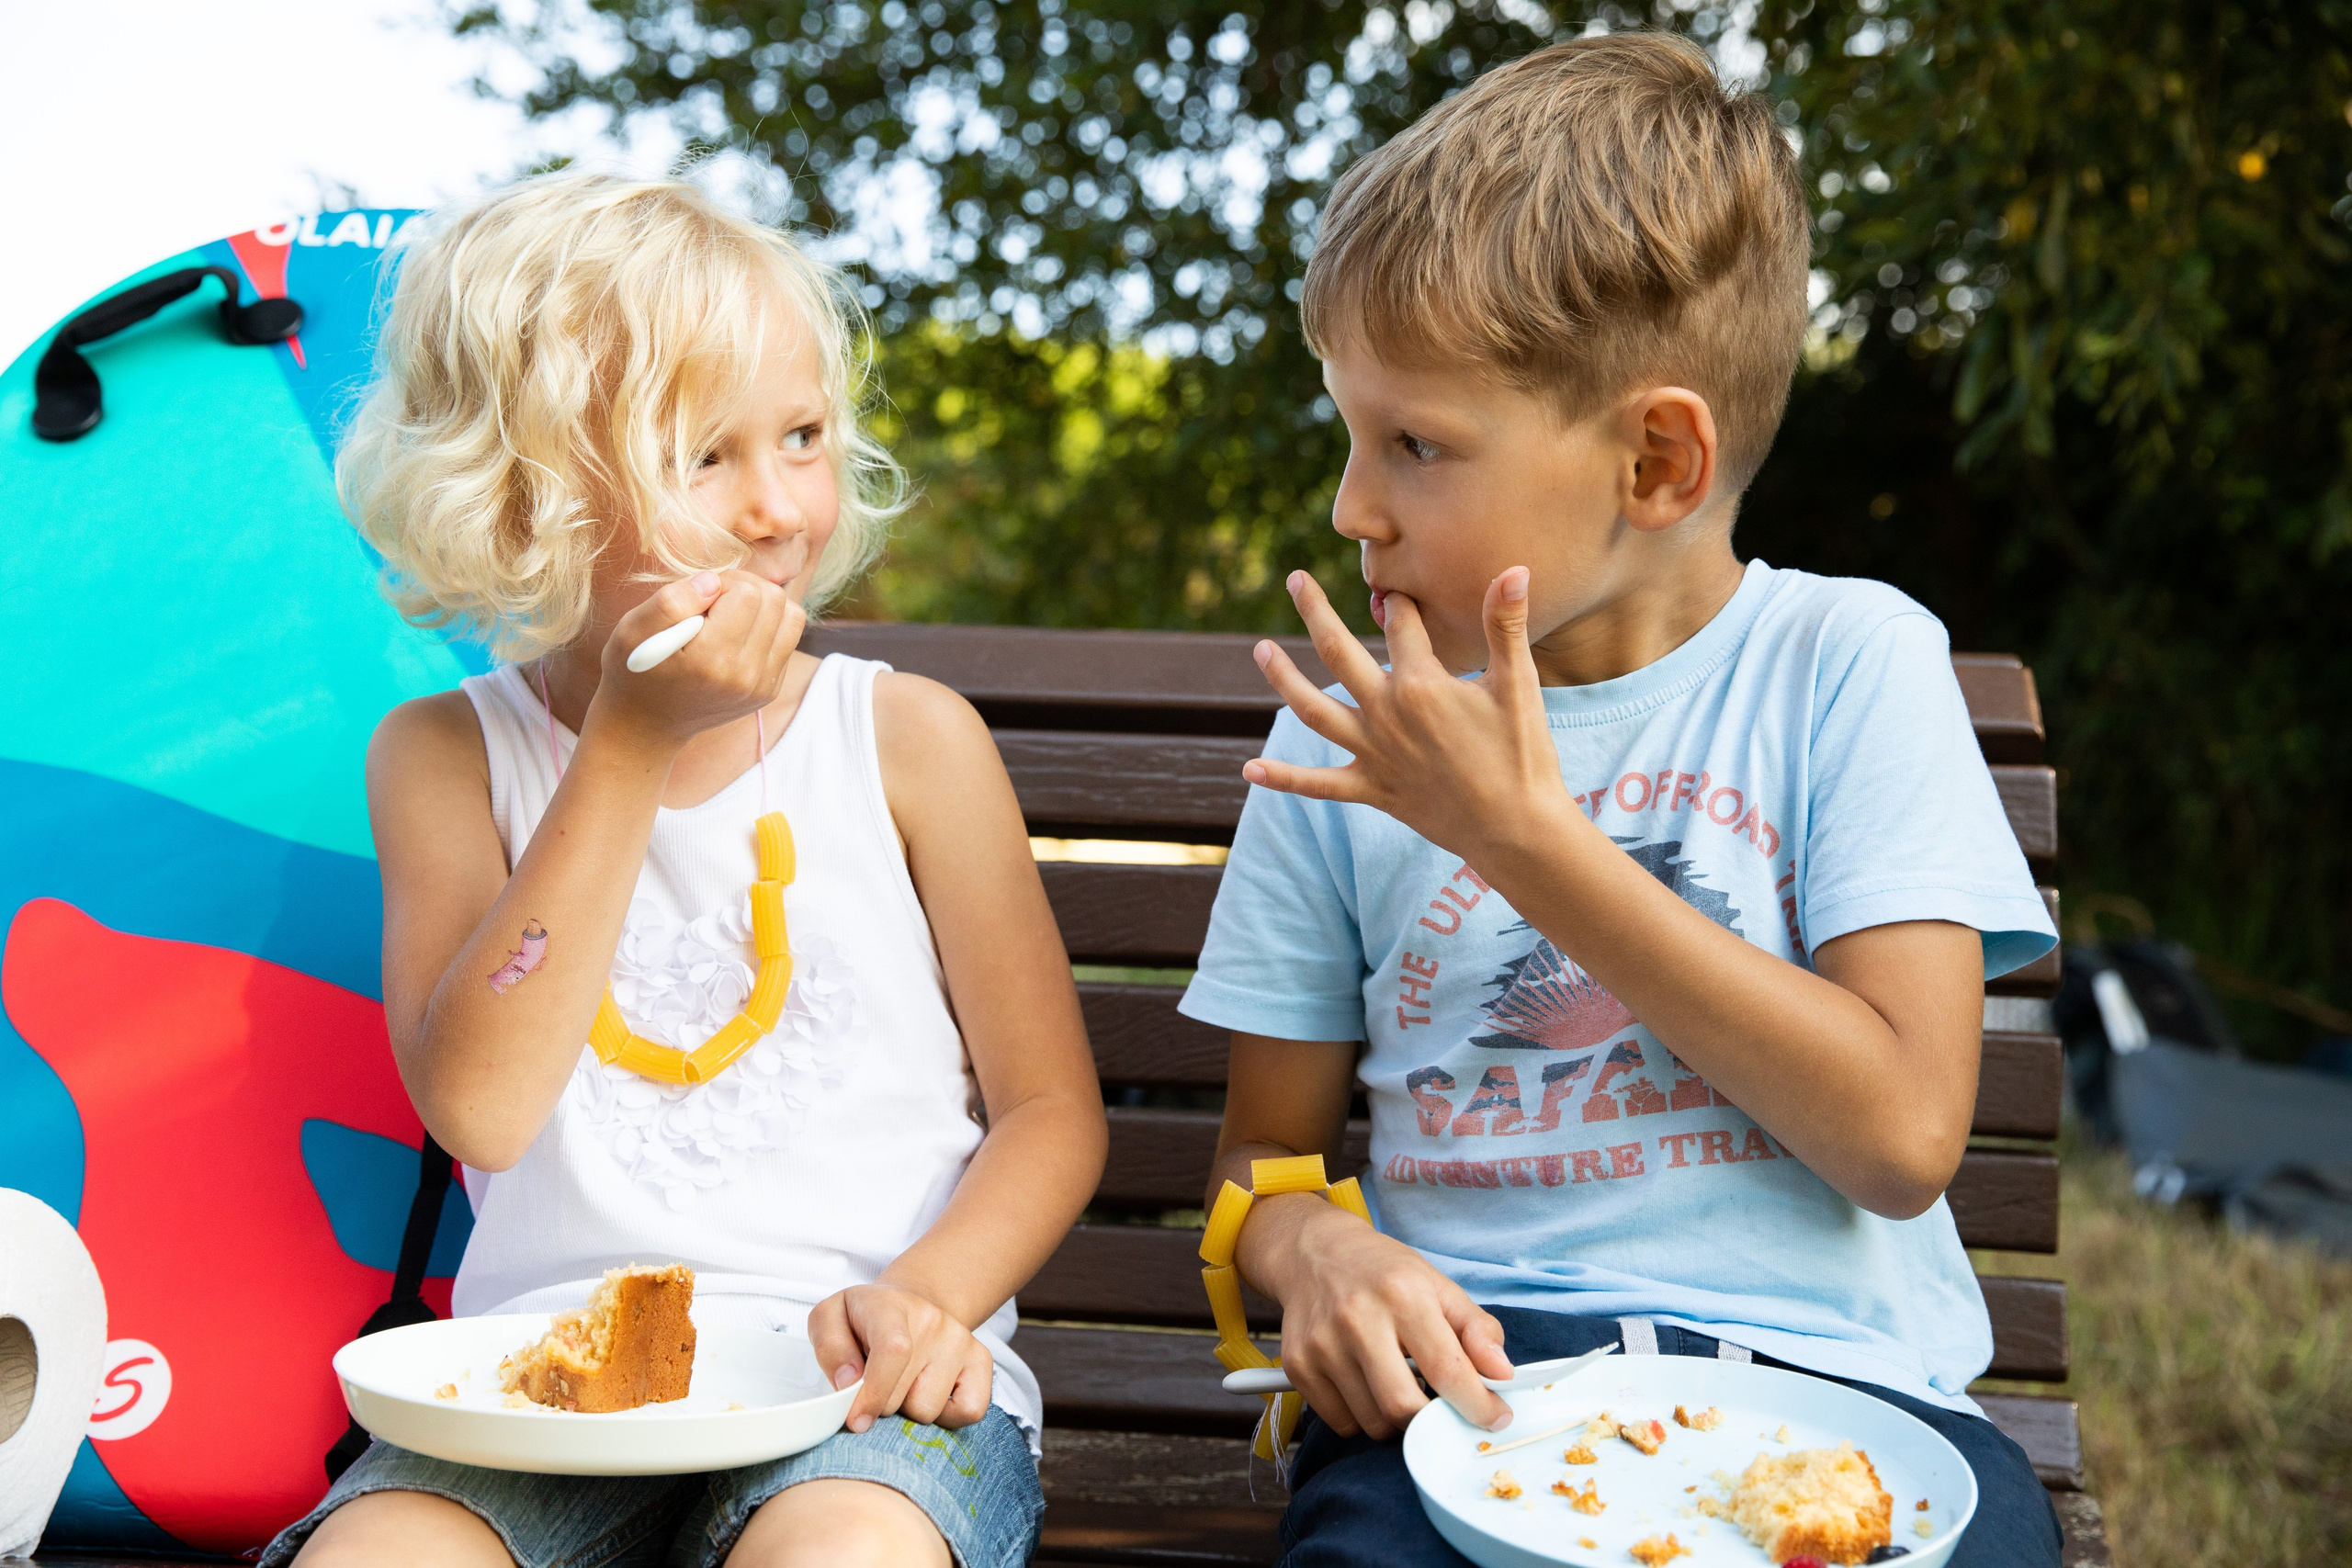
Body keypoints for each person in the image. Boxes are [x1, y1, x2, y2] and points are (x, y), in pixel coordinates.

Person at [1180, 32, 2062, 1568]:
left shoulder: (1847, 666)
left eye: (1415, 444)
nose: (1350, 503)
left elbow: (1901, 1137)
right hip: (1473, 1408)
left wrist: (1527, 840)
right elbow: (1265, 1157)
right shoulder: (1347, 743)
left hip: (1844, 1405)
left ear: (1656, 459)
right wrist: (1313, 1243)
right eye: (1350, 429)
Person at [266, 170, 1106, 1568]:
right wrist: (630, 744)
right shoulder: (441, 757)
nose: (780, 507)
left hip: (864, 1394)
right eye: (704, 458)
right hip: (540, 1394)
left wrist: (928, 1297)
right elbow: (478, 1102)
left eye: (802, 437)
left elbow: (1047, 1110)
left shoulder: (902, 741)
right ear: (526, 499)